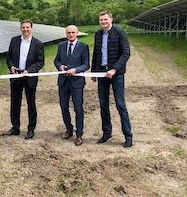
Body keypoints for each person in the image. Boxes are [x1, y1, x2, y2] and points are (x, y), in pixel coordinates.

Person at [91, 10, 133, 148]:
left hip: (116, 74)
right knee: (103, 105)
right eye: (101, 20)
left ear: (111, 19)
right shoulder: (98, 34)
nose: (103, 22)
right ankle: (107, 132)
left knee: (120, 104)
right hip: (102, 74)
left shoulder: (119, 32)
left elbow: (126, 52)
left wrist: (114, 69)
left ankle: (128, 136)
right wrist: (94, 71)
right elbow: (96, 54)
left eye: (105, 19)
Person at [4, 19, 44, 139]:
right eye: (23, 27)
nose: (25, 30)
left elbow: (40, 62)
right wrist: (11, 66)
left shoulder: (38, 44)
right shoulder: (14, 41)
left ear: (31, 28)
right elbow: (9, 57)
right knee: (14, 102)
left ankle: (31, 129)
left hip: (30, 77)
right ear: (20, 28)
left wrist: (29, 70)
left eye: (27, 27)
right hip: (16, 76)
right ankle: (15, 127)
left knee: (31, 103)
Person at [54, 25, 90, 146]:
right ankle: (68, 129)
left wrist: (76, 70)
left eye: (73, 32)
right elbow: (56, 60)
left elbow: (86, 65)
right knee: (64, 107)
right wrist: (60, 66)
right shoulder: (61, 45)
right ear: (66, 33)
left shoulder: (84, 47)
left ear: (77, 33)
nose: (71, 34)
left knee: (78, 109)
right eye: (68, 32)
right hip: (63, 82)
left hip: (77, 83)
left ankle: (79, 134)